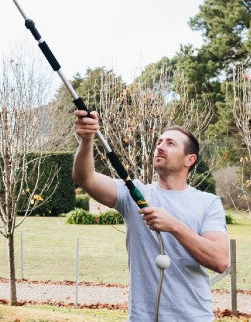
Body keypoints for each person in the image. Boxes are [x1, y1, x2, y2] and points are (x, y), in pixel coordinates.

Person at [72, 110, 229, 321]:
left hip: (194, 317)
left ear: (190, 159)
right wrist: (87, 140)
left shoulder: (207, 202)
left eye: (171, 143)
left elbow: (220, 260)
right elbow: (85, 178)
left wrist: (174, 226)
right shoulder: (134, 194)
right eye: (159, 142)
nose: (160, 147)